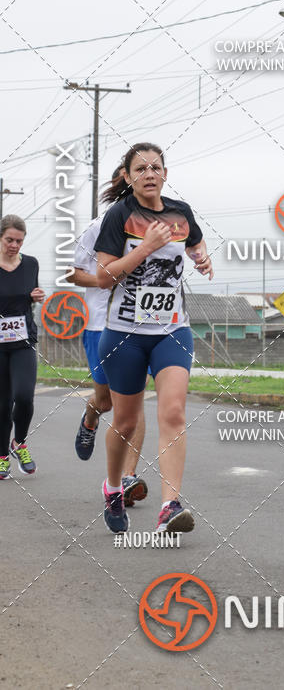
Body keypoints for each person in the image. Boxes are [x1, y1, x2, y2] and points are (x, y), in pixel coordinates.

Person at [95, 142, 213, 534]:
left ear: (165, 174)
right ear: (128, 177)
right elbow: (103, 276)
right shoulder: (120, 215)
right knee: (126, 422)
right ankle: (113, 486)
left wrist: (202, 256)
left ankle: (169, 505)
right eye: (140, 168)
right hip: (124, 334)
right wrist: (146, 248)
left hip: (171, 330)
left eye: (156, 167)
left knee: (174, 413)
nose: (149, 173)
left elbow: (195, 243)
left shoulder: (182, 214)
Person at [68, 164, 148, 508]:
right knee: (106, 402)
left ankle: (127, 479)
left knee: (134, 402)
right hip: (101, 323)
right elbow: (74, 274)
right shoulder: (98, 227)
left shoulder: (153, 230)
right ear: (123, 186)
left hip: (140, 323)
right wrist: (106, 278)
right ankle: (90, 418)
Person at [0, 215, 45, 479]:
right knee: (2, 406)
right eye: (9, 240)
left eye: (19, 241)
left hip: (23, 341)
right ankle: (2, 456)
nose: (14, 245)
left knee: (25, 397)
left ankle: (20, 442)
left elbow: (30, 296)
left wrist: (36, 296)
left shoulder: (30, 264)